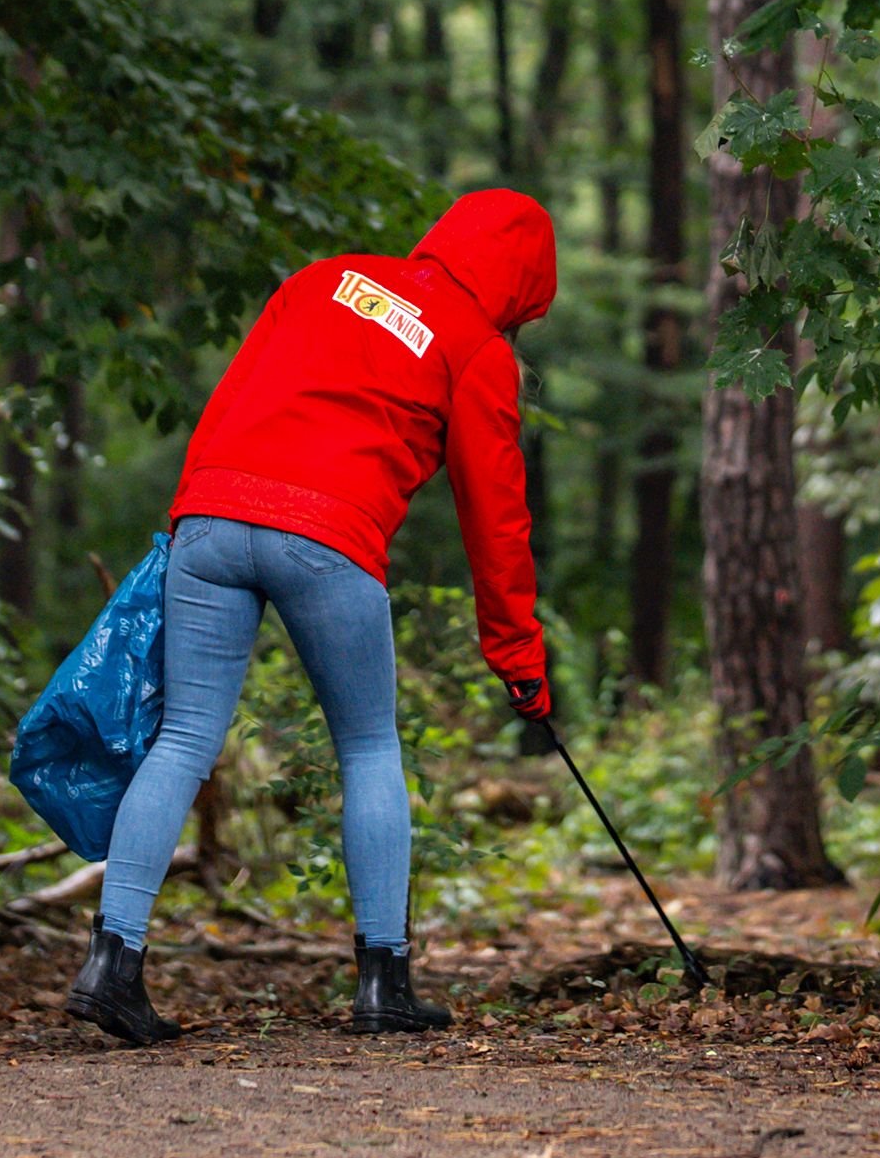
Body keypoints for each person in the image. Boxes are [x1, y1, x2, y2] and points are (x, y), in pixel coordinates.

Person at [66, 190, 559, 1047]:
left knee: (184, 738)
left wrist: (194, 514)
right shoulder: (475, 349)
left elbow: (234, 395)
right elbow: (497, 519)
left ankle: (112, 964)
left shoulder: (328, 279)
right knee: (368, 747)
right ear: (522, 286)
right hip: (328, 539)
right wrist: (517, 657)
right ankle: (383, 983)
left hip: (212, 518)